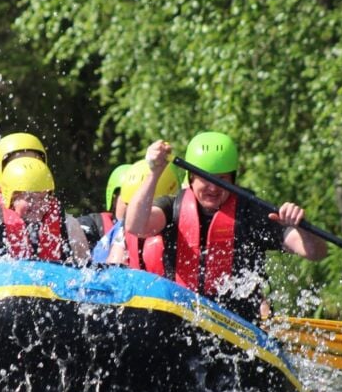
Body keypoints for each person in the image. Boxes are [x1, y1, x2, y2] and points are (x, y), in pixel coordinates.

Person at [123, 132, 327, 320]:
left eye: (221, 180)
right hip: (182, 320)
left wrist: (301, 227)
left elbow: (315, 252)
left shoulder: (251, 214)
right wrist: (154, 172)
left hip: (237, 325)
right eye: (206, 179)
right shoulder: (172, 207)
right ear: (191, 179)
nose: (213, 187)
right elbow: (136, 226)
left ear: (233, 180)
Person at [95, 160, 180, 270]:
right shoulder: (123, 230)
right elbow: (113, 271)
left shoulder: (176, 213)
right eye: (129, 205)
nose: (137, 215)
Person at [77, 163, 132, 249]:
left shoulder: (151, 231)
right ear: (114, 198)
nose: (136, 204)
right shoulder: (94, 226)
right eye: (129, 197)